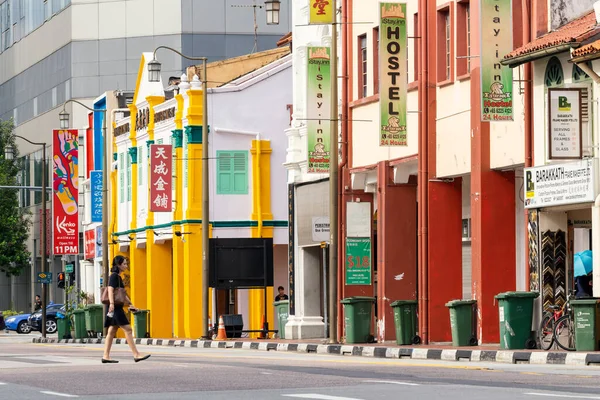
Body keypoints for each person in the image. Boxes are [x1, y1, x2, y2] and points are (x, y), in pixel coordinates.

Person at [102, 255, 150, 364]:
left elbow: (122, 294)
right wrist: (112, 304)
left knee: (111, 331)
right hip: (115, 308)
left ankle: (106, 356)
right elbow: (110, 290)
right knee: (128, 329)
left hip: (115, 307)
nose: (126, 266)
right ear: (118, 265)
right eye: (124, 264)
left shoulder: (118, 277)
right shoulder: (114, 276)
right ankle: (136, 354)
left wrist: (131, 304)